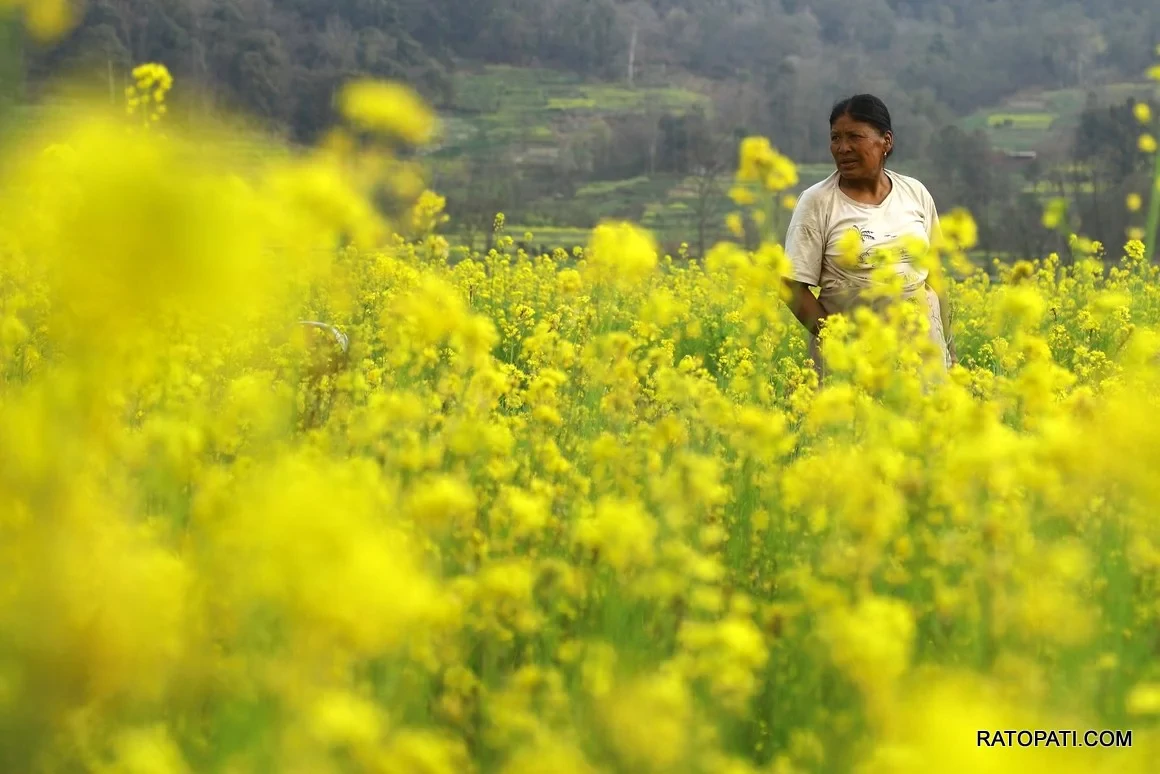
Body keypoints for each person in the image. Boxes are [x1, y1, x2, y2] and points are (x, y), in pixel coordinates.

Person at [781, 94, 957, 382]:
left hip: (921, 356)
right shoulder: (817, 202)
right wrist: (841, 340)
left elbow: (934, 277)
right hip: (851, 362)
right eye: (835, 138)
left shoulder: (915, 193)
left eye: (855, 137)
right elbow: (791, 285)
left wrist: (951, 352)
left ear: (886, 141)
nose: (842, 148)